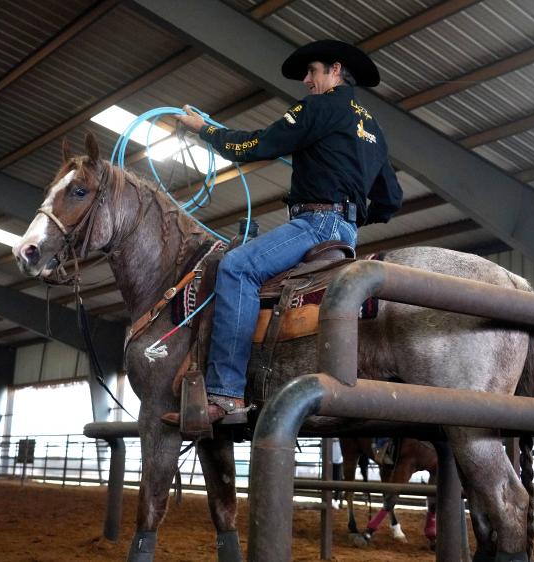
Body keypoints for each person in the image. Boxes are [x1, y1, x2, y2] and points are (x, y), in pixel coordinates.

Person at [165, 39, 403, 426]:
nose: (307, 81)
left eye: (312, 71)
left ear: (335, 70)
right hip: (345, 233)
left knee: (237, 268)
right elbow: (391, 199)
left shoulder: (320, 107)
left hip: (315, 225)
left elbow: (259, 144)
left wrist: (206, 130)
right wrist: (352, 215)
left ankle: (225, 395)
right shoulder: (372, 128)